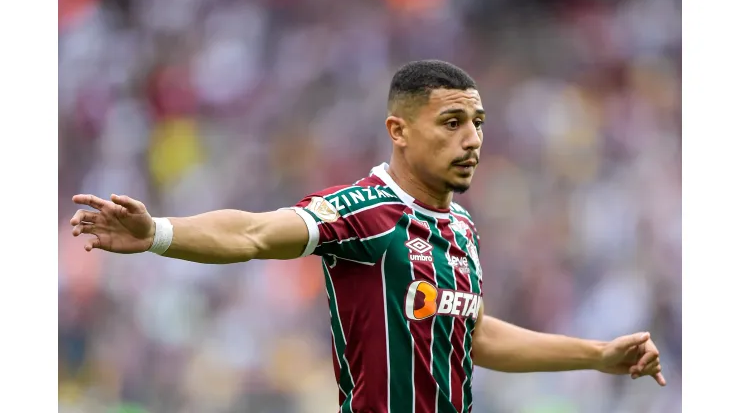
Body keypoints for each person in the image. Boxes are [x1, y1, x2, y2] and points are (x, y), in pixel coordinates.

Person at [69, 60, 665, 413]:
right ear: (398, 130)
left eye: (478, 124)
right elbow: (252, 232)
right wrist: (159, 234)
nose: (472, 140)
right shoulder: (363, 212)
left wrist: (597, 356)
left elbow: (473, 336)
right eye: (452, 123)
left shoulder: (461, 229)